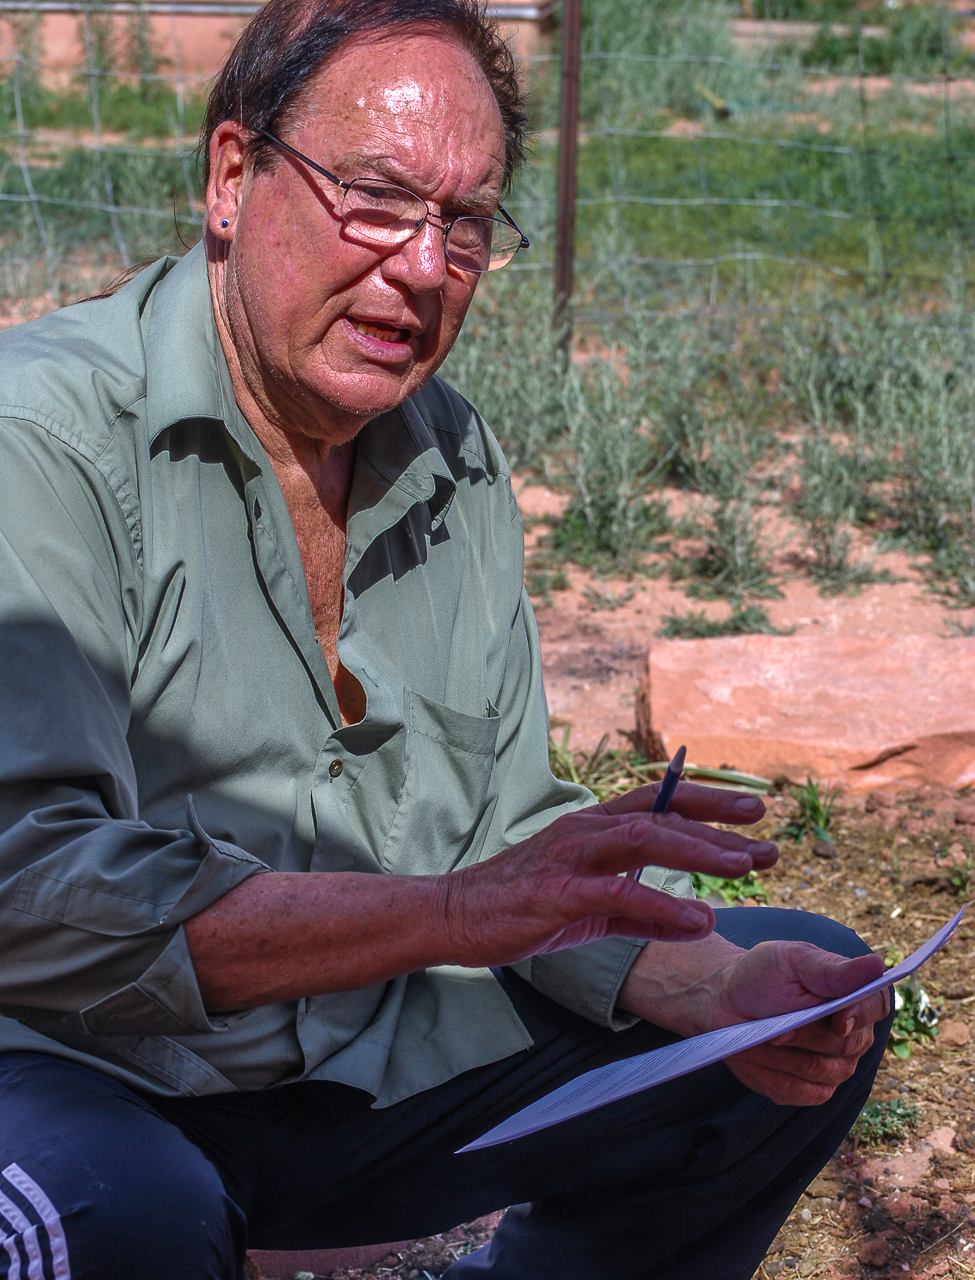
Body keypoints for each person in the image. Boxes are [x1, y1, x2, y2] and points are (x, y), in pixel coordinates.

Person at [0, 1, 891, 1277]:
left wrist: (681, 983)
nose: (423, 265)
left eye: (465, 221)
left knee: (792, 999)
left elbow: (498, 826)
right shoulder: (40, 440)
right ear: (234, 177)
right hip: (88, 1068)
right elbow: (27, 891)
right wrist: (451, 911)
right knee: (106, 1212)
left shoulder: (450, 454)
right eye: (375, 196)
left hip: (364, 1055)